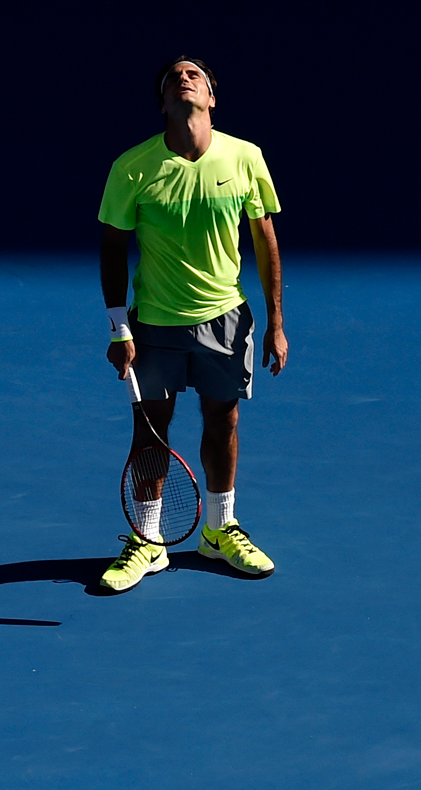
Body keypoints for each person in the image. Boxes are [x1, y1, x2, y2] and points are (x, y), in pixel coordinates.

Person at [97, 56, 288, 593]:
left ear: (210, 98)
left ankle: (220, 529)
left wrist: (275, 322)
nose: (185, 79)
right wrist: (119, 328)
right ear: (163, 103)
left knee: (223, 422)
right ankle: (149, 541)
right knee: (151, 430)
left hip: (225, 318)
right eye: (173, 78)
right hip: (154, 322)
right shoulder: (131, 167)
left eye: (195, 76)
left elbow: (265, 239)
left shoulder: (245, 157)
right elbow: (113, 247)